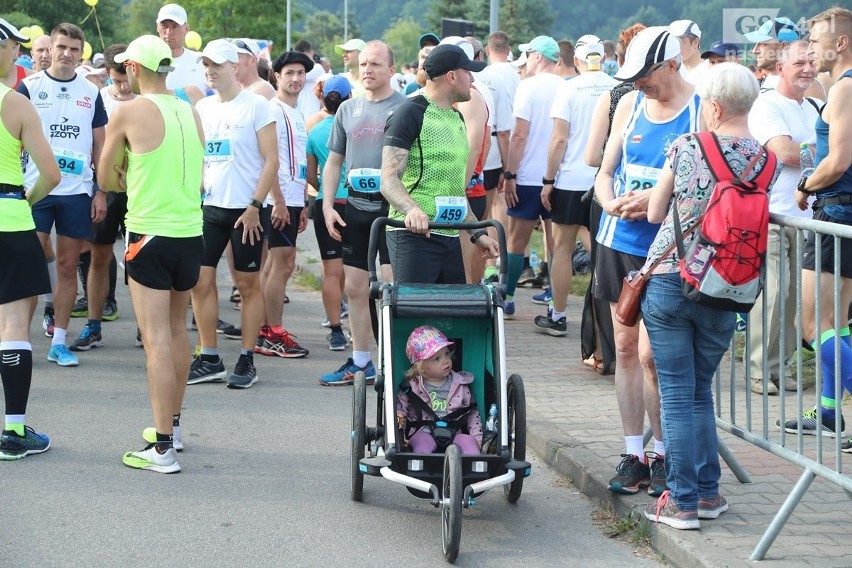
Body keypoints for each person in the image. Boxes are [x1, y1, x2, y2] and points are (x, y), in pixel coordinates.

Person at [642, 62, 780, 529]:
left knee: (677, 393)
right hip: (730, 286)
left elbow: (656, 209)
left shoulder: (687, 146)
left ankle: (680, 501)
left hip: (672, 278)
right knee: (701, 391)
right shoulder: (766, 161)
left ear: (714, 107)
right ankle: (706, 493)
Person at [594, 26, 700, 497]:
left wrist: (656, 200)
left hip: (671, 245)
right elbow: (604, 171)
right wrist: (611, 201)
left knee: (654, 356)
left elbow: (707, 184)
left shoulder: (701, 108)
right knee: (624, 346)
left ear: (671, 65)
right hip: (620, 240)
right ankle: (634, 452)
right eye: (632, 76)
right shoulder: (630, 103)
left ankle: (662, 454)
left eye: (645, 76)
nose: (638, 84)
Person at [97, 35, 205, 473]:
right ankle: (172, 428)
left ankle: (161, 449)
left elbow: (104, 174)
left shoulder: (127, 110)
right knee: (177, 333)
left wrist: (123, 175)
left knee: (156, 340)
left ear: (135, 70)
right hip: (189, 234)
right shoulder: (190, 110)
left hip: (149, 236)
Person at [189, 39, 278, 389]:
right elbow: (203, 158)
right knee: (200, 280)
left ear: (234, 67)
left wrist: (256, 206)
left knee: (247, 285)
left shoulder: (256, 105)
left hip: (247, 212)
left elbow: (272, 160)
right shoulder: (204, 108)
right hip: (210, 209)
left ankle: (246, 358)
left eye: (217, 65)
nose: (210, 71)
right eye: (206, 65)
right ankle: (209, 356)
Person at [17, 23, 108, 368]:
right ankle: (17, 341)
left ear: (80, 52)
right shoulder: (29, 87)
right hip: (36, 188)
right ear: (49, 49)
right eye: (61, 47)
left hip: (76, 191)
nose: (67, 54)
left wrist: (100, 191)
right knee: (31, 258)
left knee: (69, 265)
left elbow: (101, 144)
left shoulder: (90, 91)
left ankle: (58, 341)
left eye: (74, 48)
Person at [319, 41, 405, 386]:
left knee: (389, 287)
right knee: (354, 288)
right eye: (364, 63)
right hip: (354, 207)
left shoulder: (406, 108)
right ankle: (361, 361)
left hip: (392, 210)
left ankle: (393, 362)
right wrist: (327, 204)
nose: (367, 69)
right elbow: (334, 162)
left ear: (391, 71)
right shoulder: (347, 110)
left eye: (375, 64)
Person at [784, 7, 852, 437]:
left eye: (816, 40)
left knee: (811, 323)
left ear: (841, 43)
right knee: (838, 322)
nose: (811, 49)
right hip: (844, 213)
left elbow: (839, 160)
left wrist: (807, 184)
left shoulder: (845, 89)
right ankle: (828, 411)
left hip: (837, 210)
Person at [381, 43, 499, 285]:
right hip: (413, 235)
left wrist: (478, 234)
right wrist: (411, 210)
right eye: (468, 72)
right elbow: (388, 179)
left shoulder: (456, 117)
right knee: (416, 320)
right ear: (452, 77)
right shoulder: (409, 112)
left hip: (448, 233)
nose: (472, 78)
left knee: (449, 318)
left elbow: (455, 190)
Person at [0, 19, 61, 460]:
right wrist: (25, 196)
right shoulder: (16, 104)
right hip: (10, 218)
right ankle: (14, 431)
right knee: (13, 325)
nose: (19, 55)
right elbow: (51, 174)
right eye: (14, 48)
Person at [746, 40, 819, 395]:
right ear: (780, 70)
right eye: (799, 63)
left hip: (806, 217)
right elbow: (785, 153)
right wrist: (819, 151)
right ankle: (759, 369)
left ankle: (781, 366)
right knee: (772, 293)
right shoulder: (766, 105)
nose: (808, 68)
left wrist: (808, 150)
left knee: (796, 299)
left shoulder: (816, 107)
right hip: (772, 215)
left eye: (812, 62)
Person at [536, 35, 615, 336]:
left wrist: (548, 180)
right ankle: (605, 321)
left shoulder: (568, 88)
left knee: (563, 250)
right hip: (606, 179)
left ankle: (557, 315)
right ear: (603, 58)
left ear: (578, 62)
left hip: (570, 179)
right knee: (603, 250)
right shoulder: (617, 85)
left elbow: (559, 139)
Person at [581, 23, 646, 376]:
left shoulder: (614, 95)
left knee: (605, 282)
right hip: (643, 204)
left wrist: (617, 158)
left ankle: (608, 354)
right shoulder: (675, 98)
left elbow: (593, 157)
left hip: (610, 200)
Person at [70, 43, 136, 352]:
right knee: (98, 256)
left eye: (127, 79)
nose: (123, 86)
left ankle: (145, 328)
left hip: (139, 190)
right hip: (106, 190)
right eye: (116, 79)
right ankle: (94, 324)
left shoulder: (145, 99)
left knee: (139, 261)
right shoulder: (98, 99)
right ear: (107, 74)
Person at [256, 50, 313, 359]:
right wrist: (277, 200)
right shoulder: (272, 110)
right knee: (283, 263)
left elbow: (299, 162)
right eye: (289, 73)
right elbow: (269, 159)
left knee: (276, 265)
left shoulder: (297, 112)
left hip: (292, 200)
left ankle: (266, 329)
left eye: (300, 73)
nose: (296, 79)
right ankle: (273, 333)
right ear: (277, 76)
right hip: (275, 200)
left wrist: (302, 203)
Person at [501, 36, 563, 318]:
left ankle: (509, 297)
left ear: (538, 56)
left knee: (517, 241)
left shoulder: (527, 87)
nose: (525, 60)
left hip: (527, 176)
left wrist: (510, 173)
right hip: (558, 177)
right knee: (557, 244)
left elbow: (520, 135)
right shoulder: (566, 86)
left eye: (528, 54)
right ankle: (555, 301)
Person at [306, 75, 351, 351]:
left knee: (331, 271)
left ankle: (335, 329)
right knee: (356, 268)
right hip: (357, 202)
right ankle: (361, 329)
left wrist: (323, 187)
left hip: (327, 203)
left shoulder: (315, 132)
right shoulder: (355, 127)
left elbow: (311, 177)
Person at [396, 326, 483, 455]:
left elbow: (472, 414)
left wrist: (477, 438)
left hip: (455, 431)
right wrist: (398, 436)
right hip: (423, 431)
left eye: (447, 354)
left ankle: (473, 468)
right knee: (422, 445)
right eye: (437, 359)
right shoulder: (411, 388)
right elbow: (399, 412)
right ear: (420, 367)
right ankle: (421, 468)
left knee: (470, 443)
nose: (446, 361)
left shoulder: (461, 384)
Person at [477, 31, 519, 284]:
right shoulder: (519, 74)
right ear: (509, 48)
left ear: (487, 50)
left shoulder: (485, 76)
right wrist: (509, 166)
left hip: (489, 144)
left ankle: (490, 262)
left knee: (486, 207)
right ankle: (505, 253)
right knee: (502, 204)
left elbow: (500, 128)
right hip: (512, 143)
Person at [155, 3, 206, 94]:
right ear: (157, 27)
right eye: (164, 26)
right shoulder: (146, 63)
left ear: (186, 29)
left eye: (175, 26)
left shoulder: (202, 61)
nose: (169, 32)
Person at [667, 19, 706, 84]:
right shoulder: (673, 71)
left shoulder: (708, 72)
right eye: (672, 43)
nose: (675, 48)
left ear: (695, 43)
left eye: (679, 42)